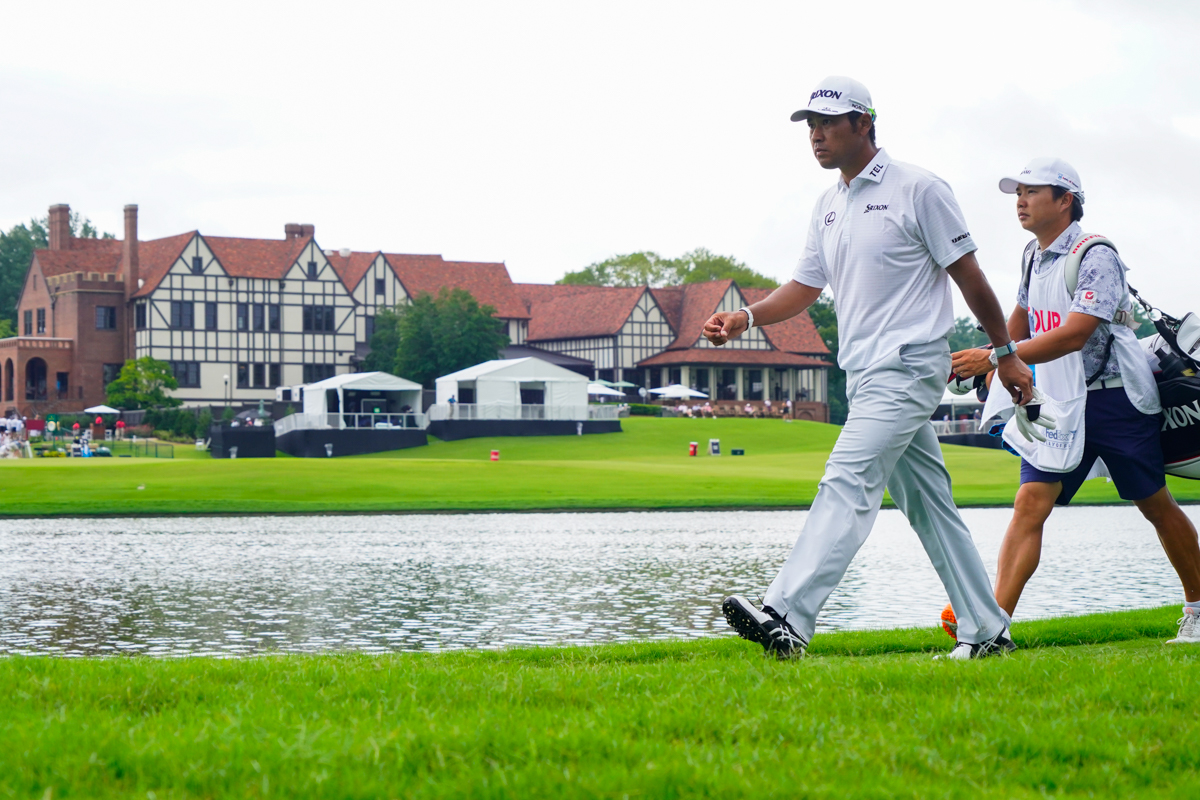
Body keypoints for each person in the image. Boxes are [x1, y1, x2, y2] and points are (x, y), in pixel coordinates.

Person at [710, 76, 1034, 660]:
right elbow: (805, 286)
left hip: (908, 366)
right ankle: (988, 630)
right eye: (810, 125)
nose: (816, 135)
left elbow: (970, 278)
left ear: (864, 123)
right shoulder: (828, 205)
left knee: (847, 479)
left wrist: (1004, 352)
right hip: (863, 375)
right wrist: (746, 317)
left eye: (828, 123)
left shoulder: (919, 189)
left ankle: (787, 614)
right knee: (931, 507)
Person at [950, 158, 1200, 644]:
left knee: (1155, 505)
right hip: (1057, 401)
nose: (1020, 201)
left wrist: (995, 357)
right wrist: (995, 359)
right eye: (1018, 193)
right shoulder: (1033, 253)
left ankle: (1199, 608)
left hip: (1117, 400)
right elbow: (1021, 318)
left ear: (1065, 200)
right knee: (1029, 504)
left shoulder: (1095, 254)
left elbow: (1074, 334)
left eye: (1032, 191)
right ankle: (991, 632)